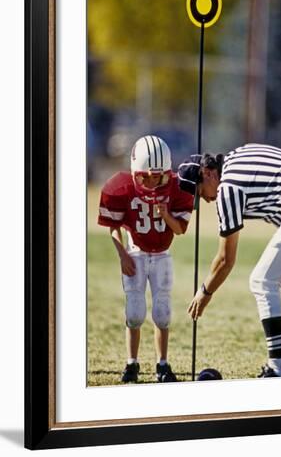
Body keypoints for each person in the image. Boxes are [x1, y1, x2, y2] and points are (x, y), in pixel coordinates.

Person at [178, 143, 281, 377]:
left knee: (261, 281)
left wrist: (205, 292)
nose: (206, 200)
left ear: (207, 173)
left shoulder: (227, 188)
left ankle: (277, 367)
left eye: (199, 192)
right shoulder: (239, 153)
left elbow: (226, 259)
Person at [98, 135, 194, 383]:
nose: (151, 181)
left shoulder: (176, 187)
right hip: (137, 253)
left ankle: (162, 364)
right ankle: (132, 363)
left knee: (162, 313)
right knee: (135, 313)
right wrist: (123, 255)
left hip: (162, 254)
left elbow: (180, 229)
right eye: (146, 176)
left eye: (157, 176)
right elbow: (113, 227)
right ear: (134, 171)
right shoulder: (121, 187)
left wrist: (166, 214)